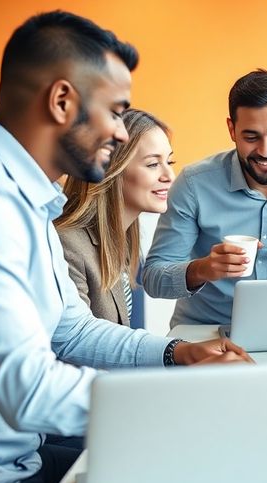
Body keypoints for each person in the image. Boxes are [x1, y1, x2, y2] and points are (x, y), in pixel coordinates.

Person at [0, 12, 250, 483]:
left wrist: (176, 355)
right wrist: (177, 399)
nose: (122, 134)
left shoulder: (27, 201)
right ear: (61, 101)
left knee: (200, 470)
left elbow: (71, 330)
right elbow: (28, 387)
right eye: (115, 111)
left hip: (16, 462)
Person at [142, 70, 267, 327]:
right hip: (203, 332)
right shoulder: (194, 183)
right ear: (232, 129)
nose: (266, 151)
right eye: (251, 137)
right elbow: (153, 279)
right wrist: (203, 269)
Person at [55, 109, 174, 325]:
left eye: (169, 162)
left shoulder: (127, 239)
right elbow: (75, 345)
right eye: (153, 164)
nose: (169, 176)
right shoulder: (68, 245)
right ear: (112, 171)